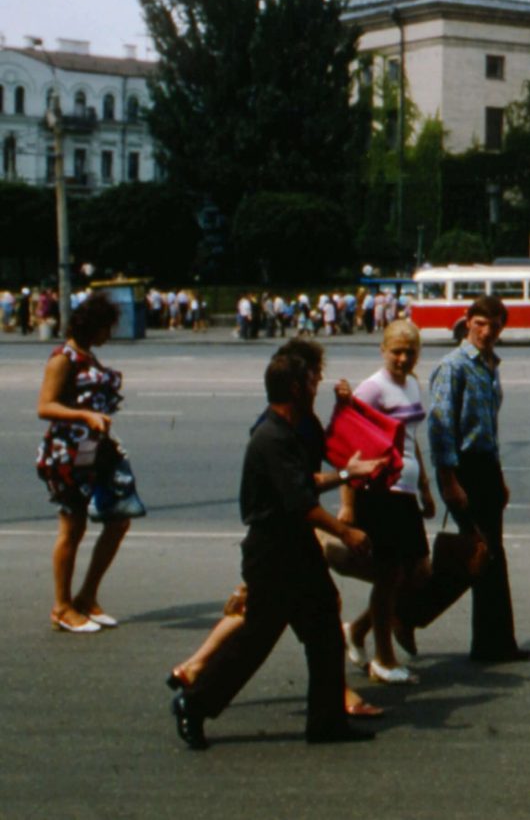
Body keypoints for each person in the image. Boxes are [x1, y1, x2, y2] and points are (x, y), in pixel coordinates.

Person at [170, 352, 381, 749]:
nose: (318, 385)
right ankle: (193, 704)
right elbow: (302, 502)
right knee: (256, 640)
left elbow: (309, 477)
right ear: (297, 388)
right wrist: (346, 533)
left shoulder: (295, 428)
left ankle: (326, 723)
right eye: (313, 381)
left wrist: (345, 474)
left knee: (324, 633)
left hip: (295, 545)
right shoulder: (270, 437)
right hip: (272, 551)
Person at [428, 294, 530, 663]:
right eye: (480, 324)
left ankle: (494, 642)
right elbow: (440, 427)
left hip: (485, 467)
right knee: (479, 552)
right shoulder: (453, 366)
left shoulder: (489, 365)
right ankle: (403, 612)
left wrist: (499, 475)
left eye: (494, 326)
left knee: (491, 554)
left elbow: (489, 426)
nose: (487, 332)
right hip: (464, 468)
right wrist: (449, 480)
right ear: (467, 321)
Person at [342, 320, 435, 684]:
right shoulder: (371, 389)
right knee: (389, 575)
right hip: (381, 492)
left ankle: (357, 630)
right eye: (396, 351)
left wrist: (425, 488)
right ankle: (383, 659)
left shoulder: (411, 383)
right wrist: (347, 503)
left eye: (409, 352)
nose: (402, 357)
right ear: (382, 350)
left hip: (407, 491)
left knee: (417, 572)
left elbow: (411, 440)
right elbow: (349, 447)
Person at [37, 292, 133, 634]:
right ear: (93, 326)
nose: (110, 334)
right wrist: (84, 415)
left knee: (120, 519)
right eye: (107, 327)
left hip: (95, 451)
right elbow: (45, 406)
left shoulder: (88, 356)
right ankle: (61, 606)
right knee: (72, 527)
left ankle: (87, 595)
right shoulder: (63, 358)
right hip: (67, 455)